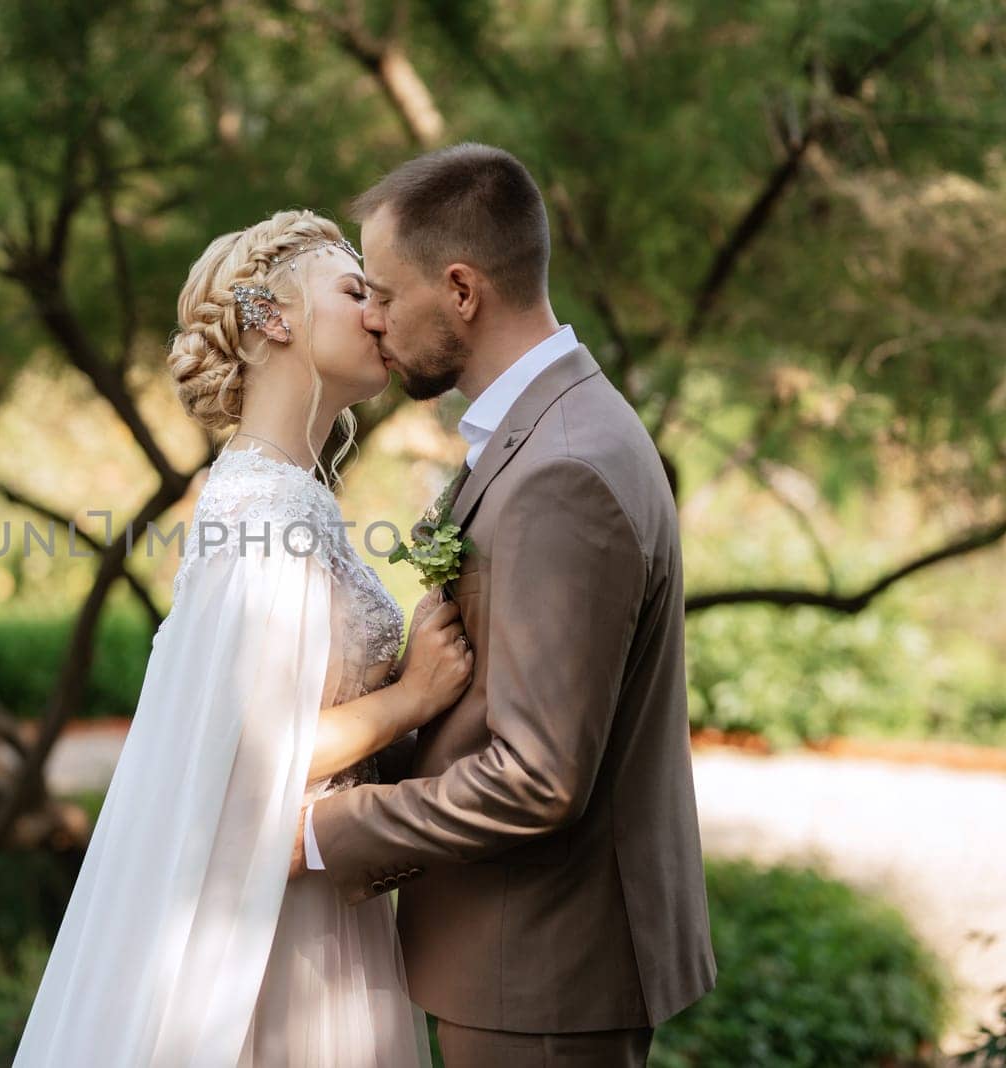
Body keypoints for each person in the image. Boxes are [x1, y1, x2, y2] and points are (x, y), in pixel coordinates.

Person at [12, 208, 473, 1066]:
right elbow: (247, 759)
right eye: (355, 291)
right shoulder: (267, 511)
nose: (380, 313)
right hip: (278, 933)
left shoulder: (283, 498)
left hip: (319, 896)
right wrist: (412, 694)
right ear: (271, 318)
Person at [294, 142, 718, 1068]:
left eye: (383, 292)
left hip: (543, 972)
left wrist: (325, 833)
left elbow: (539, 777)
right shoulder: (546, 435)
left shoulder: (562, 468)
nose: (372, 319)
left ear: (461, 289)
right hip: (525, 961)